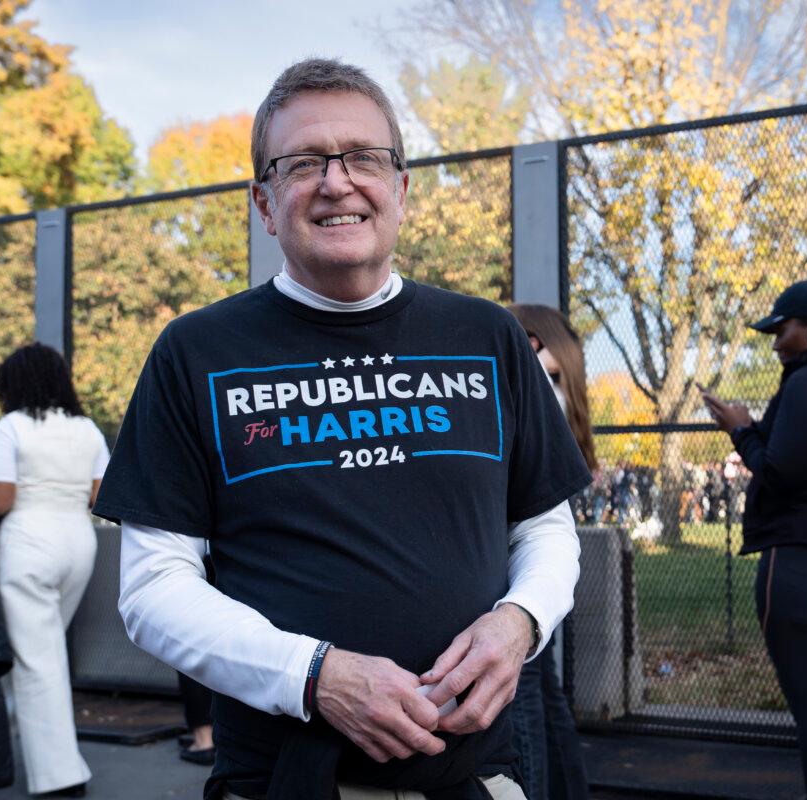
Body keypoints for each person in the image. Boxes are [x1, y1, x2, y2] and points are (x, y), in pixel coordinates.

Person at [94, 58, 590, 800]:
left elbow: (546, 531)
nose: (337, 181)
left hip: (477, 779)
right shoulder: (196, 352)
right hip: (285, 780)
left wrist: (519, 621)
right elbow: (153, 588)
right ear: (263, 202)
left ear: (400, 187)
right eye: (303, 163)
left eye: (363, 157)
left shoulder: (486, 337)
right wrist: (316, 676)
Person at [701, 279, 807, 800]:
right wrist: (751, 427)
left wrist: (739, 429)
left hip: (802, 556)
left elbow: (779, 473)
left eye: (783, 329)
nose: (775, 341)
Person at [0, 343, 109, 798]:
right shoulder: (87, 429)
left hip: (26, 544)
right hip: (78, 544)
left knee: (36, 657)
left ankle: (61, 774)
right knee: (33, 647)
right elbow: (101, 498)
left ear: (14, 384)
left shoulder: (13, 426)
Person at [506, 304, 597, 800]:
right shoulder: (557, 390)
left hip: (517, 560)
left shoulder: (527, 378)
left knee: (521, 695)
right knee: (543, 692)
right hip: (534, 558)